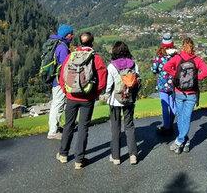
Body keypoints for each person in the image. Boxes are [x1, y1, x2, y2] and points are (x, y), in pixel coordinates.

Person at [56, 32, 107, 170]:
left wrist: (67, 91)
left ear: (79, 42)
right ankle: (79, 160)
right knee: (83, 127)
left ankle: (63, 154)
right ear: (92, 42)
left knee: (68, 125)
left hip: (71, 97)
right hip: (87, 97)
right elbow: (102, 79)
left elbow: (62, 76)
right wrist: (95, 93)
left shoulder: (71, 56)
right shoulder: (96, 58)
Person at [163, 37, 207, 154]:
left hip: (179, 92)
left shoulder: (177, 58)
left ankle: (180, 141)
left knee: (181, 117)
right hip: (192, 93)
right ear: (193, 47)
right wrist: (195, 78)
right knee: (186, 117)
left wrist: (177, 75)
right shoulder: (197, 60)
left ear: (183, 46)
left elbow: (166, 67)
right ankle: (186, 141)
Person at [105, 41, 141, 165]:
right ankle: (133, 155)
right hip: (129, 99)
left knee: (115, 128)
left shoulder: (111, 66)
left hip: (115, 101)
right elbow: (138, 81)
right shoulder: (133, 64)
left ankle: (116, 157)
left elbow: (109, 86)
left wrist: (106, 96)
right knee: (129, 126)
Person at [47, 24, 74, 140]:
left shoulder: (58, 44)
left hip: (55, 80)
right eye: (71, 34)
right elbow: (65, 65)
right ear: (66, 35)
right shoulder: (62, 47)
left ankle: (55, 127)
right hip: (59, 81)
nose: (72, 36)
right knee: (58, 104)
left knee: (57, 104)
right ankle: (53, 131)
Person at [151, 33, 177, 135]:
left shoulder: (159, 56)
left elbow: (154, 69)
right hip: (174, 83)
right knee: (172, 104)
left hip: (163, 84)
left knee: (164, 105)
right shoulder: (176, 54)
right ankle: (171, 123)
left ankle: (166, 127)